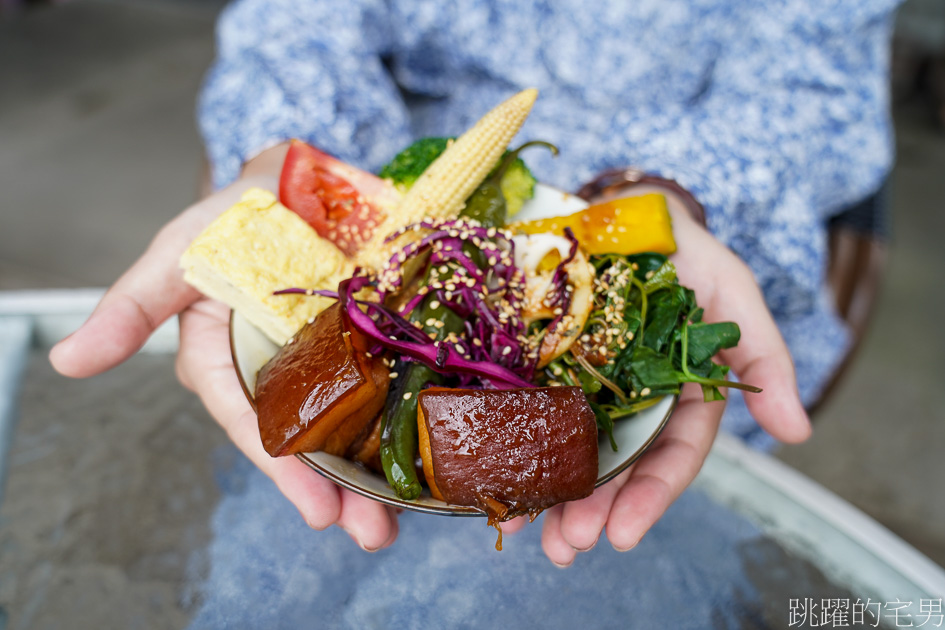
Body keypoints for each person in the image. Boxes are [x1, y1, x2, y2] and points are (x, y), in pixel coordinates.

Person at [49, 0, 897, 568]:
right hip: (383, 189)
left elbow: (812, 93)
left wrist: (666, 197)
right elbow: (295, 22)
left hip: (681, 235)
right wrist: (289, 160)